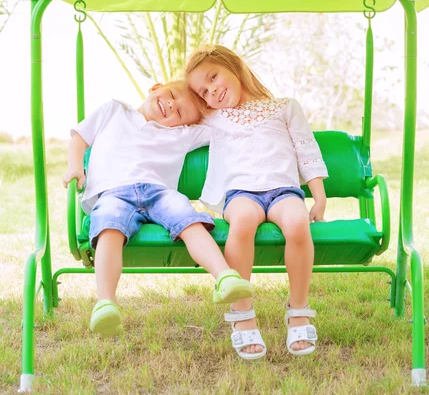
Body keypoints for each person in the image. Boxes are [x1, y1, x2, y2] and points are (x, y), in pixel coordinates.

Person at [62, 80, 253, 337]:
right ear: (156, 87)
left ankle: (225, 277)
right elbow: (79, 139)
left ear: (187, 124)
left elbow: (223, 124)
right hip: (113, 192)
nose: (171, 105)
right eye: (172, 95)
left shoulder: (184, 133)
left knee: (188, 220)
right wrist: (75, 167)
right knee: (109, 226)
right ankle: (105, 302)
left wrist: (216, 96)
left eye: (181, 113)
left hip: (159, 193)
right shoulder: (114, 110)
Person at [185, 46, 328, 360]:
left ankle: (299, 310)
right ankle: (243, 315)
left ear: (234, 67)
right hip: (241, 195)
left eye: (214, 77)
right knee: (244, 222)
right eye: (204, 91)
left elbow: (307, 149)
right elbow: (175, 118)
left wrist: (319, 196)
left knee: (297, 222)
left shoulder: (285, 107)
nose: (213, 91)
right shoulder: (213, 118)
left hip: (284, 191)